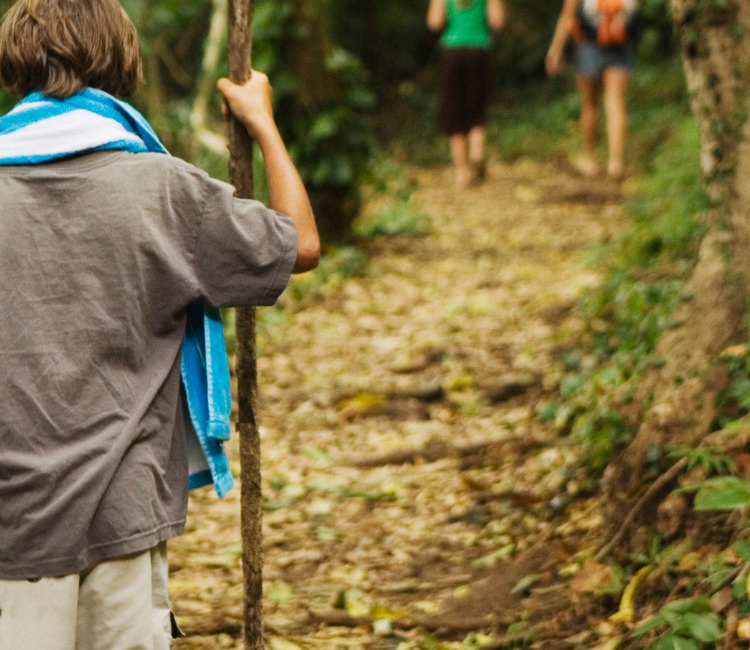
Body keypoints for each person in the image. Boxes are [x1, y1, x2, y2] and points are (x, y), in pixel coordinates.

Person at [0, 0, 319, 648]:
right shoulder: (163, 190)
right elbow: (300, 244)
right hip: (124, 508)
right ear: (122, 62)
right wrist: (263, 124)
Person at [546, 0, 638, 180]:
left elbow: (567, 15)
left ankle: (591, 160)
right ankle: (615, 163)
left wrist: (556, 49)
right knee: (615, 101)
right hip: (621, 44)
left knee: (589, 103)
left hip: (589, 45)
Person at [427, 0, 505, 188]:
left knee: (454, 111)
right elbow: (497, 22)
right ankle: (476, 155)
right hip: (479, 50)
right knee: (476, 106)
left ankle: (462, 173)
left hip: (452, 50)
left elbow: (434, 22)